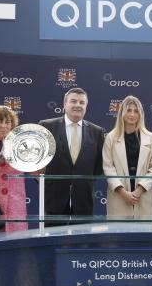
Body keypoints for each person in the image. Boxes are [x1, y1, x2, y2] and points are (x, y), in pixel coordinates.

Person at [38, 88, 105, 224]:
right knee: (54, 236)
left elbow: (99, 166)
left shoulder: (97, 132)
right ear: (64, 104)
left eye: (82, 102)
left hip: (83, 200)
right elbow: (37, 161)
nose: (78, 105)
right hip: (54, 199)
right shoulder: (46, 127)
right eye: (73, 101)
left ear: (86, 106)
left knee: (82, 237)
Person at [102, 96, 152, 219]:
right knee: (119, 231)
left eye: (136, 111)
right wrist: (123, 193)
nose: (132, 114)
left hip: (144, 197)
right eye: (128, 110)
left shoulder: (151, 138)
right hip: (119, 197)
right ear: (122, 113)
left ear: (141, 114)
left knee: (144, 231)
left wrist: (138, 191)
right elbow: (108, 168)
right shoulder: (110, 138)